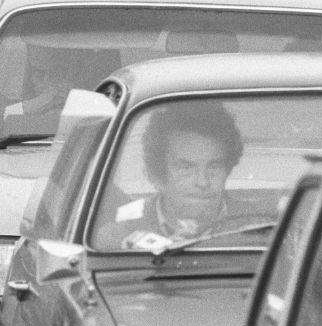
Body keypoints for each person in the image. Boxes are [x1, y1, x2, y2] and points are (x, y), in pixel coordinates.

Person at [99, 103, 253, 251]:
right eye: (186, 168)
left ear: (228, 170)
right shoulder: (119, 236)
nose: (203, 181)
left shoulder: (257, 227)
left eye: (214, 166)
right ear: (157, 176)